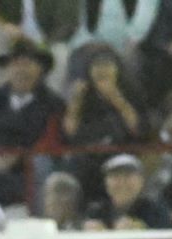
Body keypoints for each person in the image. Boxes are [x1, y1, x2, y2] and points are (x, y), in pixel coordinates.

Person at [0, 36, 64, 208]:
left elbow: (54, 139)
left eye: (27, 64)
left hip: (30, 169)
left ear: (40, 69)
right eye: (15, 64)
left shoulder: (53, 104)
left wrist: (19, 155)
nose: (21, 70)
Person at [62, 42, 145, 199]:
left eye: (107, 65)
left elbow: (138, 129)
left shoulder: (131, 92)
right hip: (87, 158)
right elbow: (70, 133)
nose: (102, 70)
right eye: (97, 65)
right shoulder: (82, 97)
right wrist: (76, 102)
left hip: (121, 154)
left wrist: (115, 97)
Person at [84, 151, 172, 227]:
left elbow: (169, 235)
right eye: (116, 176)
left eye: (128, 176)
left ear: (141, 181)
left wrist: (143, 230)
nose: (122, 182)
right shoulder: (96, 211)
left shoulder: (155, 210)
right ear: (105, 183)